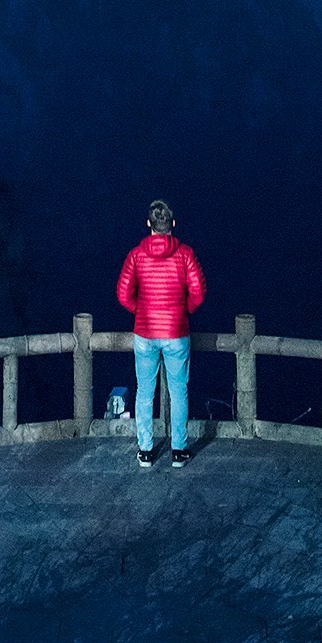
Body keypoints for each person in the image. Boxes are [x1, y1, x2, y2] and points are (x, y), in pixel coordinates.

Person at [115, 199, 206, 470]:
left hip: (145, 333)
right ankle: (179, 450)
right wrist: (181, 312)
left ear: (149, 225)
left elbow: (122, 295)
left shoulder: (135, 255)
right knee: (179, 391)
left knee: (145, 392)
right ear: (173, 225)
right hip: (177, 333)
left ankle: (145, 451)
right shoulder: (185, 254)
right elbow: (199, 292)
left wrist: (141, 310)